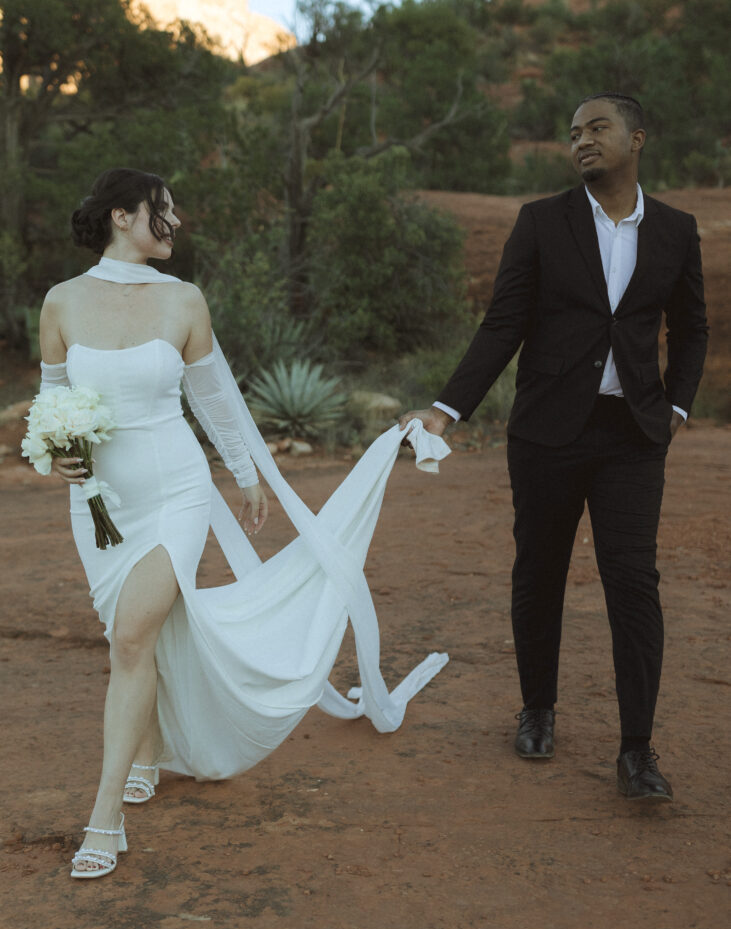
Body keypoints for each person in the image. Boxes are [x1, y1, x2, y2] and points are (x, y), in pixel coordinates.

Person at [39, 168, 449, 879]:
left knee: (132, 636)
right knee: (137, 632)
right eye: (162, 211)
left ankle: (104, 817)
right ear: (121, 216)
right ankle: (142, 749)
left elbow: (215, 398)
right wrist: (58, 456)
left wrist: (245, 471)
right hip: (99, 501)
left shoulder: (184, 301)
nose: (176, 221)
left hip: (174, 491)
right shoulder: (62, 302)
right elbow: (50, 403)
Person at [399, 93, 708, 801]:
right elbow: (502, 322)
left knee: (633, 583)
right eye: (573, 134)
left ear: (637, 137)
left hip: (631, 435)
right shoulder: (541, 222)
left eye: (596, 128)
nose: (581, 142)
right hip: (545, 434)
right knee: (538, 570)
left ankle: (636, 751)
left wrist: (677, 406)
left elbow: (692, 328)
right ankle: (536, 707)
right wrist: (447, 411)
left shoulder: (674, 230)